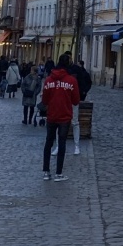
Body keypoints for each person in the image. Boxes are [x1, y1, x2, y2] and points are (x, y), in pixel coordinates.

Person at [41, 53, 80, 182]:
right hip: (65, 116)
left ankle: (46, 172)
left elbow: (44, 100)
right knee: (62, 143)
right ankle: (58, 173)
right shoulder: (71, 80)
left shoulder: (48, 80)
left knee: (48, 142)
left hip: (51, 115)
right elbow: (76, 101)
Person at [66, 56, 92, 157]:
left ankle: (76, 145)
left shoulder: (79, 72)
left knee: (75, 121)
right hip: (67, 100)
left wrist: (83, 93)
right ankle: (63, 145)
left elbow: (85, 83)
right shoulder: (70, 73)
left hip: (74, 100)